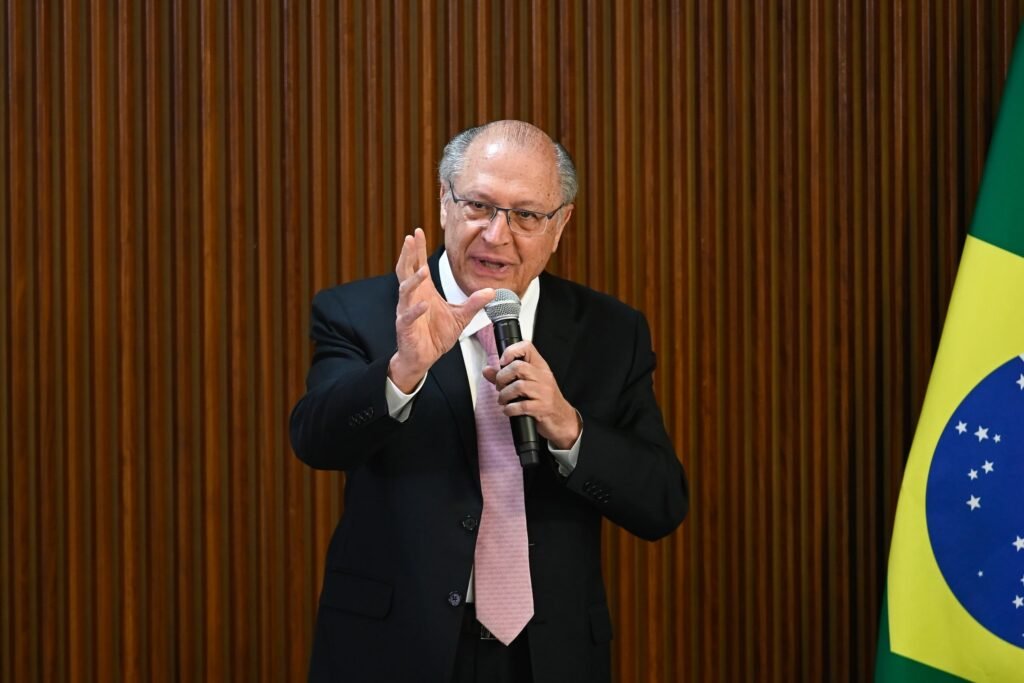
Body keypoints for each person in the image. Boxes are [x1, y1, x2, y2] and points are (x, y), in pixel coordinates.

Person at [290, 120, 688, 683]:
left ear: (560, 225)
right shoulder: (363, 312)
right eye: (478, 205)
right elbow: (315, 441)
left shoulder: (610, 332)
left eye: (525, 215)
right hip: (396, 648)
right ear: (444, 202)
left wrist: (568, 427)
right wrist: (404, 370)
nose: (496, 235)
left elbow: (661, 504)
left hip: (548, 656)